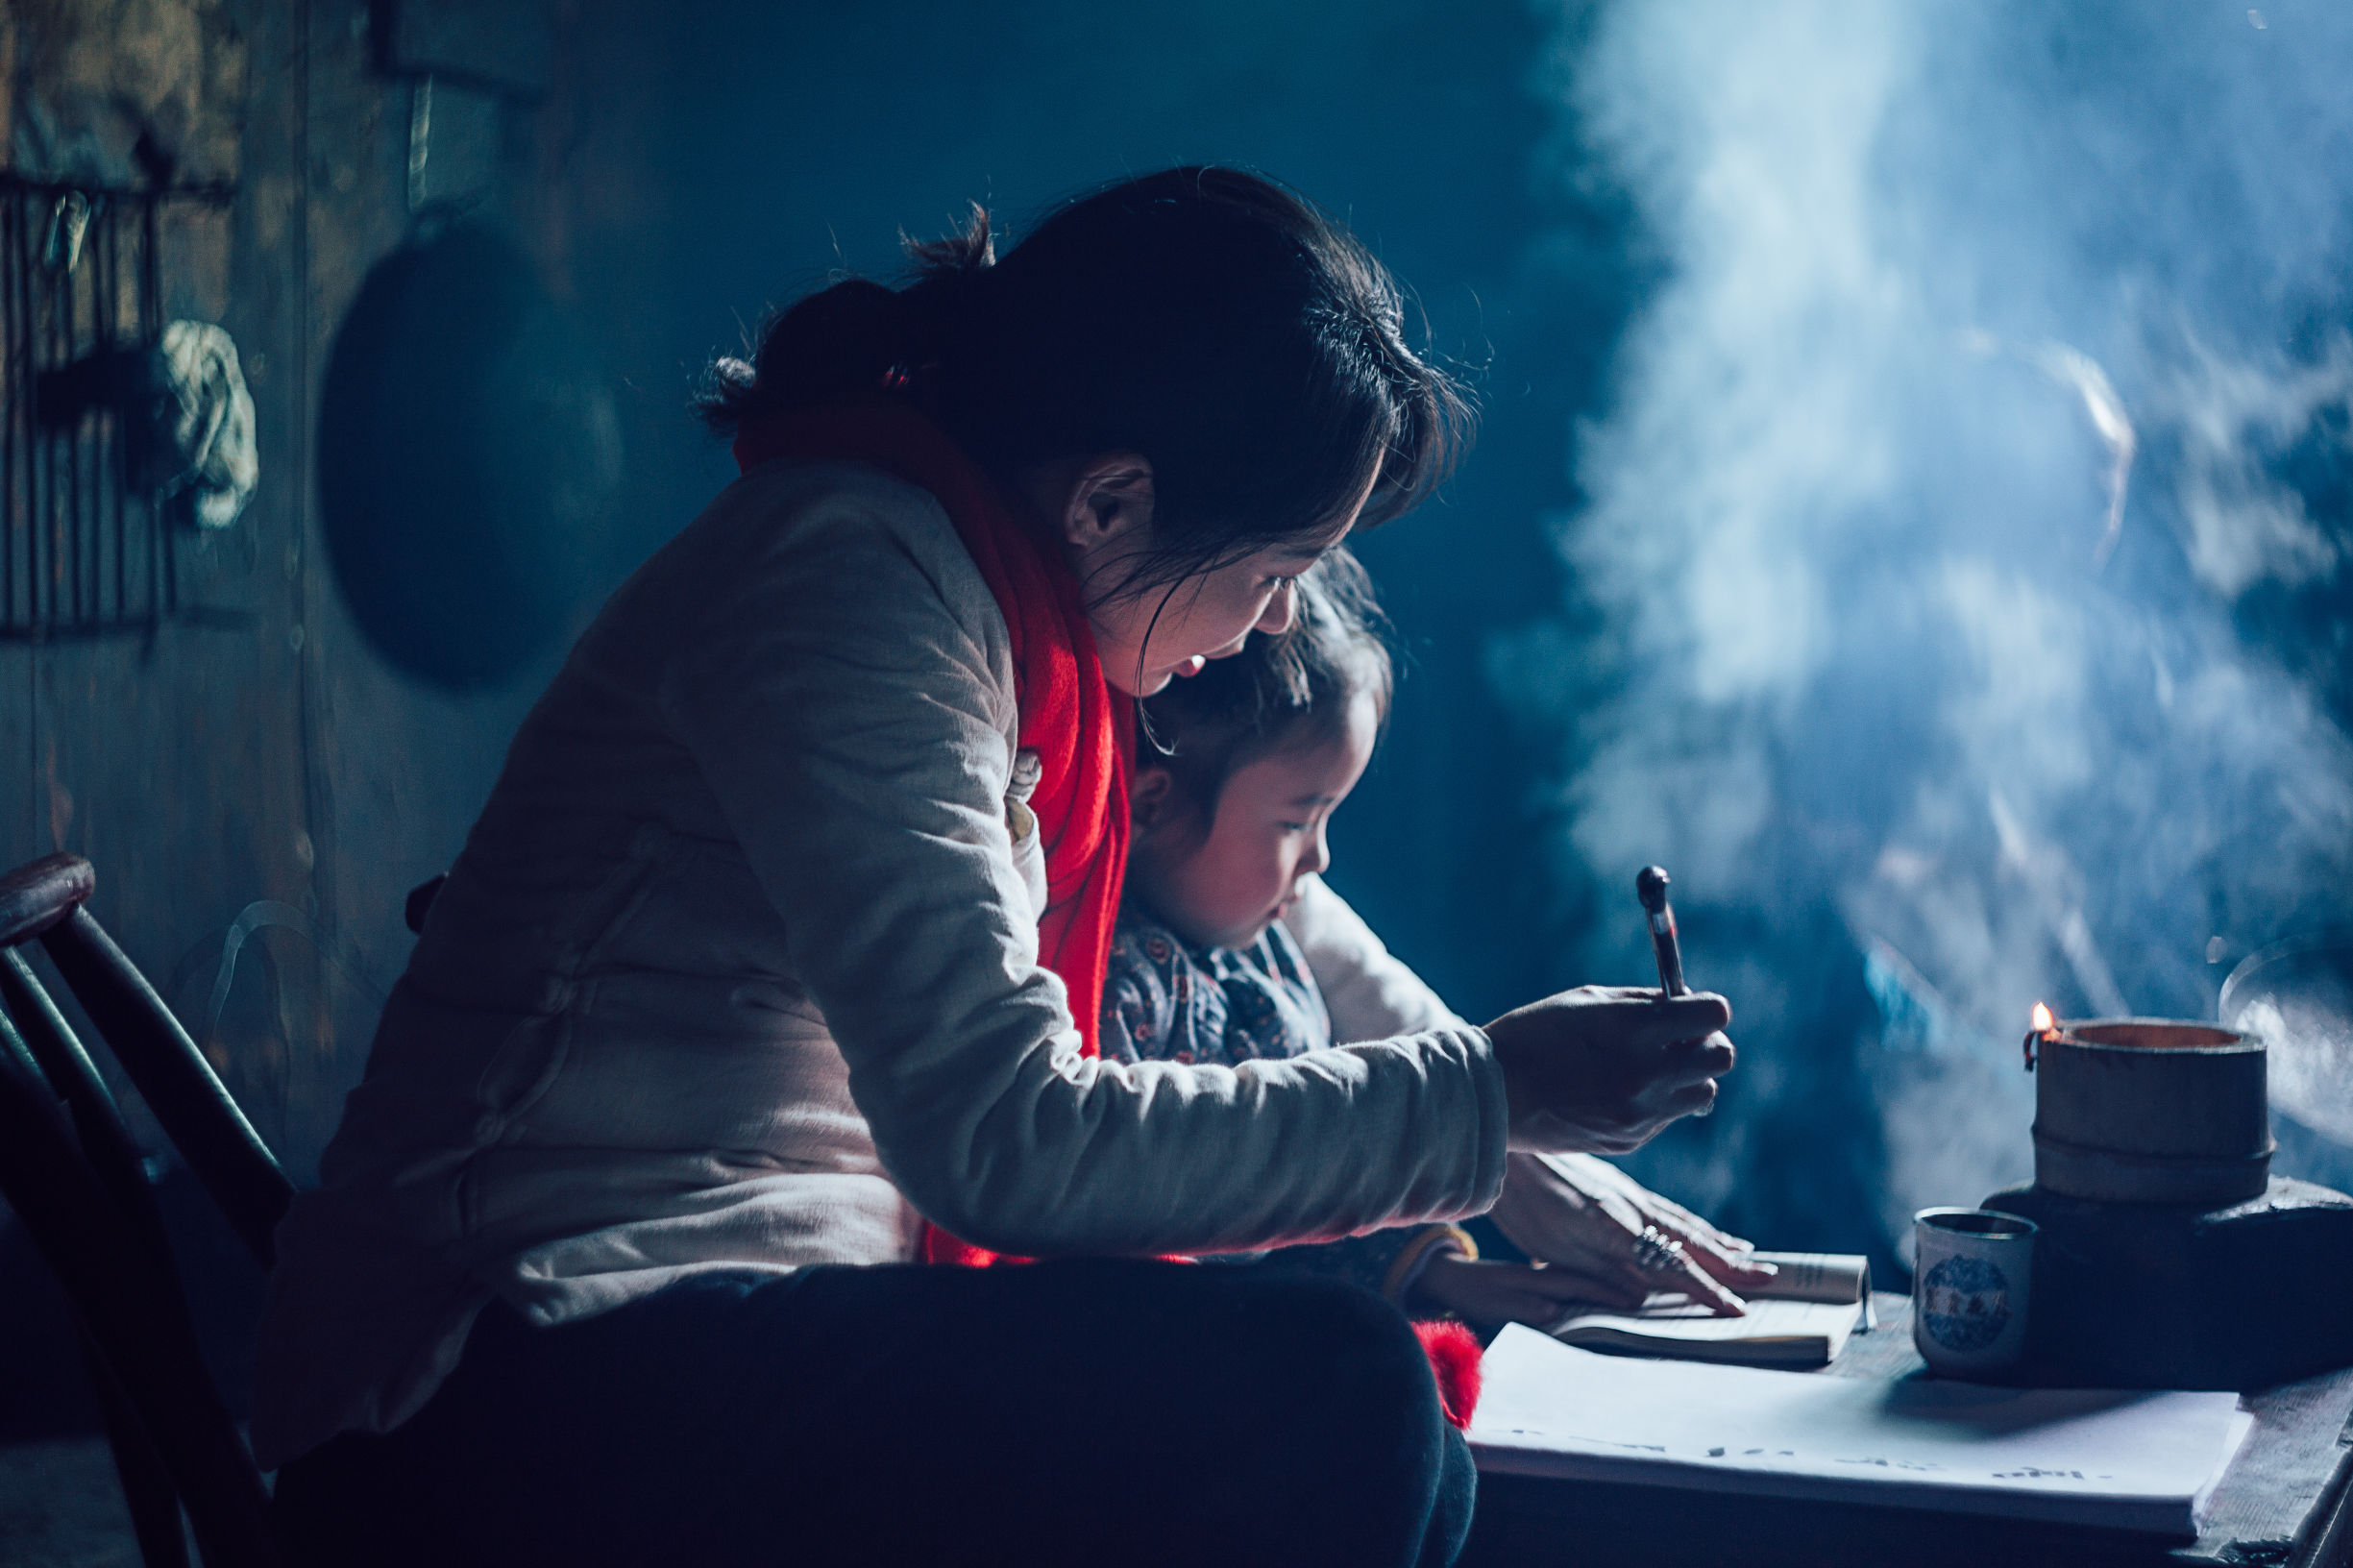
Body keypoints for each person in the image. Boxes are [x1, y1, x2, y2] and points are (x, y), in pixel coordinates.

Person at [258, 167, 1747, 1568]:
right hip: (503, 1376)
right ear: (1107, 502)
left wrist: (1507, 1133)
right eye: (1274, 568)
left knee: (1409, 1436)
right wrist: (1484, 1101)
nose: (1283, 619)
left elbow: (1292, 905)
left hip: (714, 1338)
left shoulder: (1014, 617)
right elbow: (1004, 1139)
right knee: (1342, 1396)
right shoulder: (854, 590)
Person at [1105, 550, 1771, 1328]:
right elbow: (1197, 1212)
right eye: (1294, 823)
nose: (1319, 863)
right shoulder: (1120, 992)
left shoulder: (1266, 945)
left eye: (1326, 820)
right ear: (1151, 804)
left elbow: (1303, 1195)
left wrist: (1430, 1275)